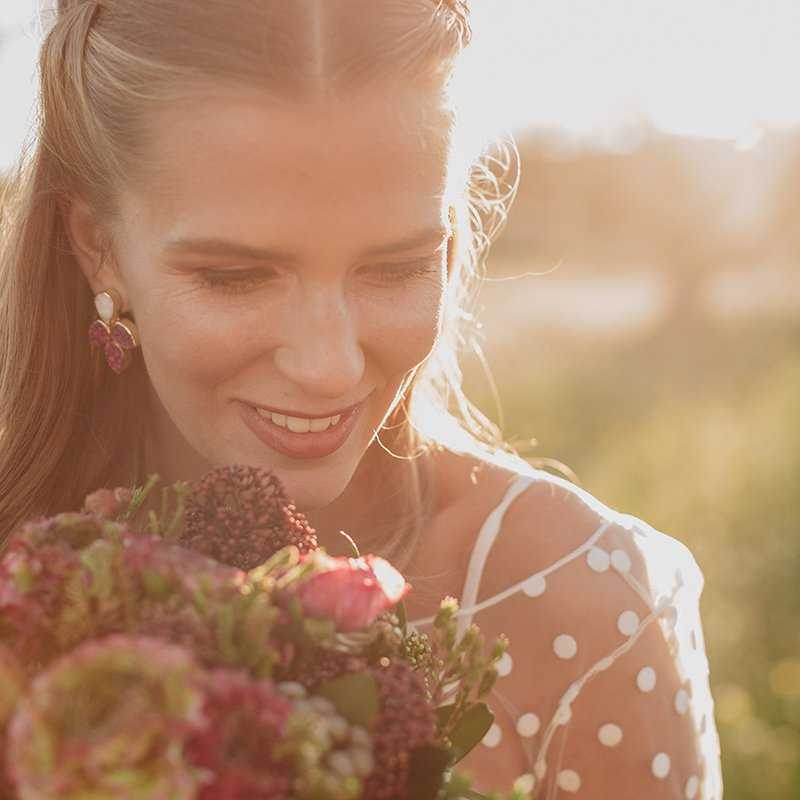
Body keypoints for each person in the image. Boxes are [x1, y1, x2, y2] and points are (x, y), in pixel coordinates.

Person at [0, 1, 722, 797]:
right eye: (235, 276)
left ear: (450, 243)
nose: (329, 366)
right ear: (97, 247)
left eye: (394, 268)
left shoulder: (589, 609)